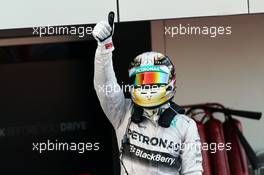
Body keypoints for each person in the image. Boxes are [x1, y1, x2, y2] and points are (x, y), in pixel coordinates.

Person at [92, 13, 203, 175]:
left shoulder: (185, 125)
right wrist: (104, 48)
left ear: (170, 80)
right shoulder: (123, 113)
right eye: (142, 79)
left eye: (155, 78)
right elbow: (105, 87)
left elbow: (193, 172)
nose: (148, 84)